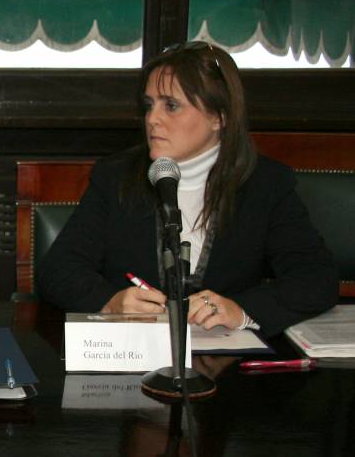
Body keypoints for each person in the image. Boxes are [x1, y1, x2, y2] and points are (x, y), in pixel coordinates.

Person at [37, 41, 337, 337]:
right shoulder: (116, 177)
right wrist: (110, 302)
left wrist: (240, 310)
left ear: (219, 117)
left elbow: (316, 278)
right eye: (149, 105)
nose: (152, 119)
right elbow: (58, 270)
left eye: (171, 106)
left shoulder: (265, 184)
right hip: (132, 361)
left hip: (227, 371)